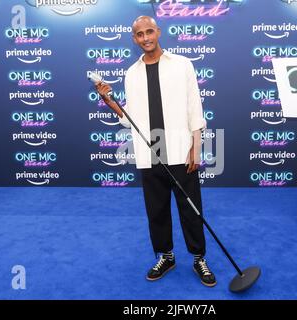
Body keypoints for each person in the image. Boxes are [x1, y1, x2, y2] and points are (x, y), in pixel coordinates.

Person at [95, 16, 216, 287]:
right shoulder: (131, 73)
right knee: (156, 211)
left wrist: (196, 148)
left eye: (149, 31)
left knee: (191, 209)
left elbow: (195, 109)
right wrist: (107, 99)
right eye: (139, 34)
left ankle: (199, 258)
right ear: (134, 39)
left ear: (158, 32)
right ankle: (167, 256)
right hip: (149, 154)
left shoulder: (182, 64)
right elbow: (130, 119)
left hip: (180, 151)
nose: (146, 37)